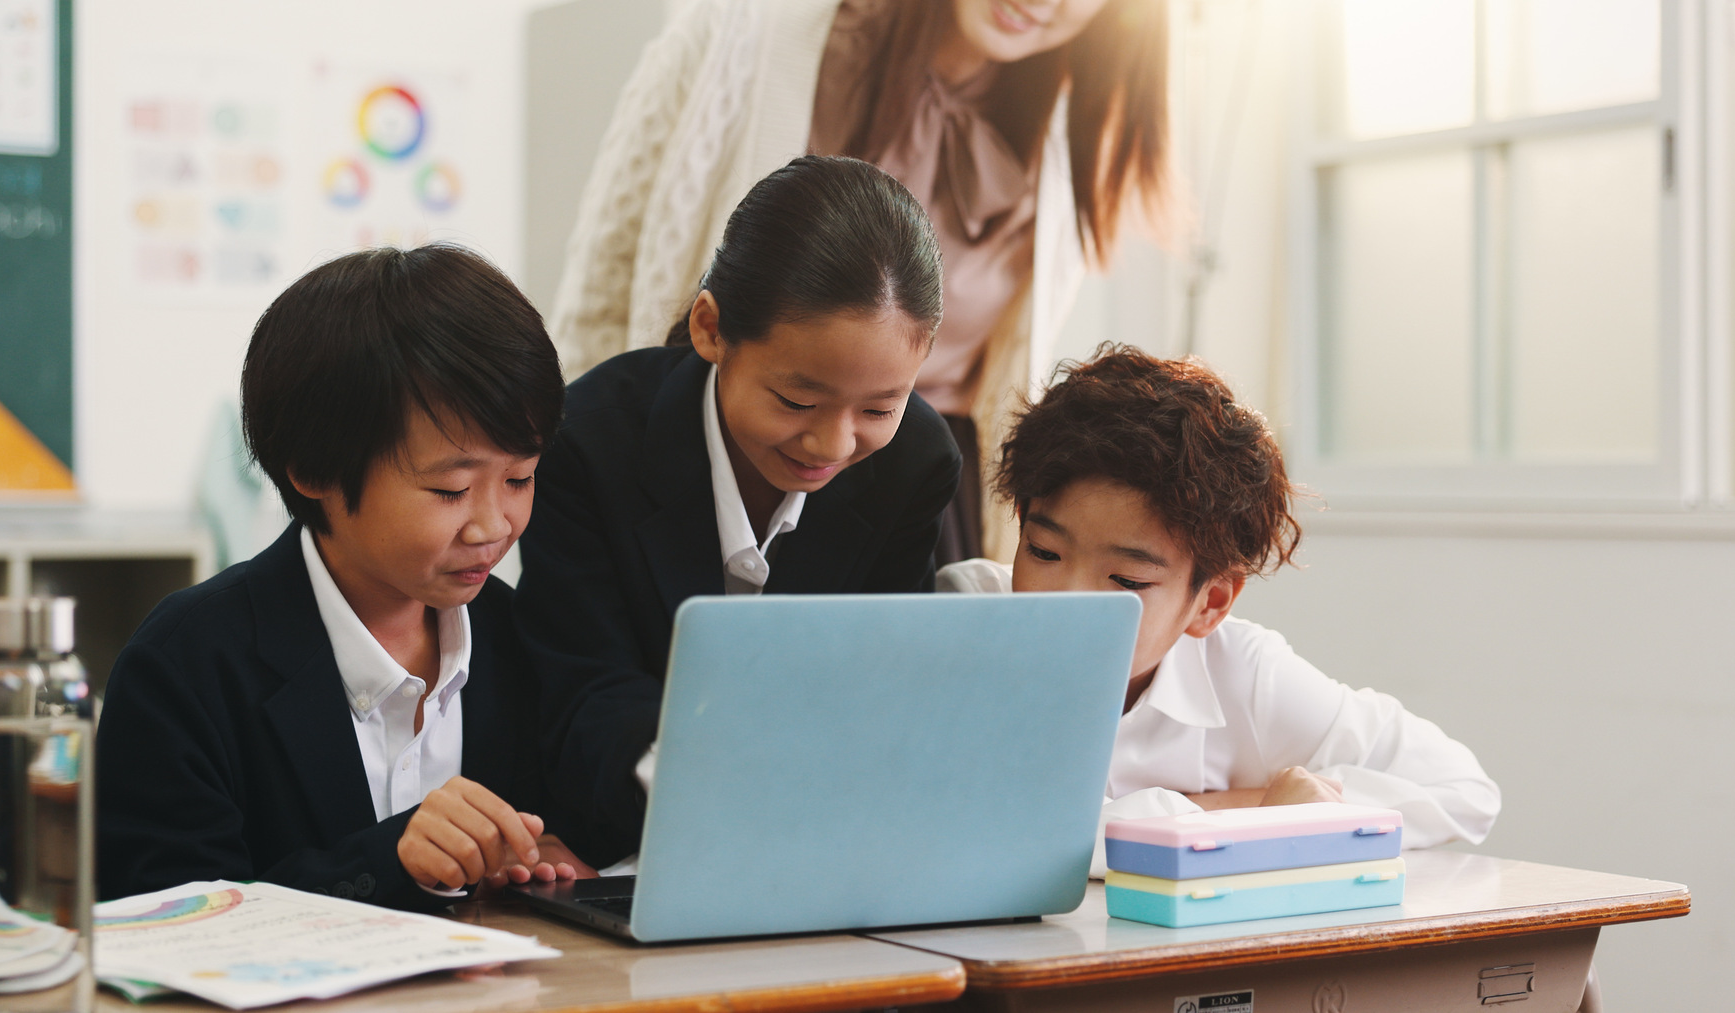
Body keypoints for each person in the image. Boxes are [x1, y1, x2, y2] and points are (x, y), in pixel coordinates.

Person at [554, 0, 1170, 563]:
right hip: (718, 455)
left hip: (912, 482)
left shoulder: (1075, 131)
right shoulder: (745, 35)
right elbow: (604, 284)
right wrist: (591, 477)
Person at [97, 245, 588, 908]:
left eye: (519, 478)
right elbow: (162, 914)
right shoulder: (187, 664)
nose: (492, 525)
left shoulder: (528, 638)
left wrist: (539, 859)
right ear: (315, 469)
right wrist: (392, 861)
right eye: (449, 489)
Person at [518, 156, 962, 868]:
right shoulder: (590, 443)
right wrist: (718, 789)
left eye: (880, 406)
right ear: (709, 328)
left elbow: (881, 678)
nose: (833, 443)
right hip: (623, 844)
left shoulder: (912, 461)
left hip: (826, 850)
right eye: (796, 401)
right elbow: (584, 689)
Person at [938, 346, 1502, 876]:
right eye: (1043, 551)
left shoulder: (1243, 674)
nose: (1064, 601)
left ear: (1209, 603)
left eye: (1127, 580)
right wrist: (1257, 813)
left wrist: (1237, 813)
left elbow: (1464, 791)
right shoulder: (958, 625)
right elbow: (1006, 832)